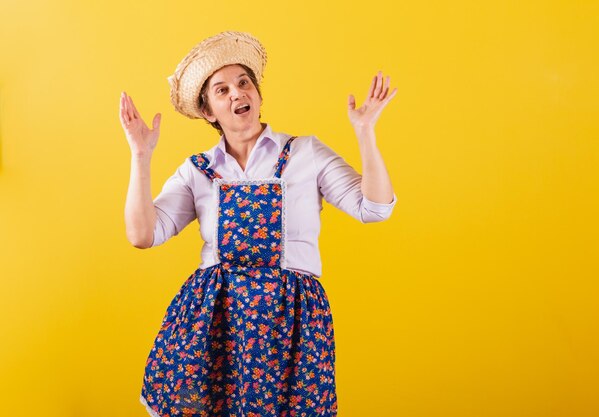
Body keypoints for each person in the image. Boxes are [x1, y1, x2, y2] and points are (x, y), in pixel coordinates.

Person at [119, 31, 398, 417]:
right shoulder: (198, 170)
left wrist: (365, 133)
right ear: (208, 112)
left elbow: (375, 208)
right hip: (216, 319)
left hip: (291, 320)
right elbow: (143, 234)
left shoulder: (306, 153)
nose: (237, 93)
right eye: (222, 89)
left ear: (258, 94)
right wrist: (141, 155)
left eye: (244, 82)